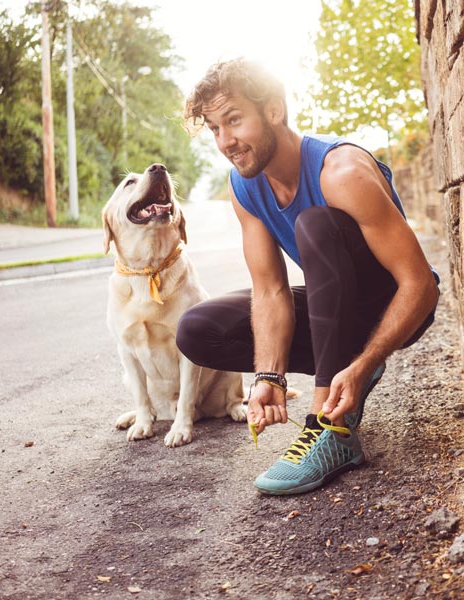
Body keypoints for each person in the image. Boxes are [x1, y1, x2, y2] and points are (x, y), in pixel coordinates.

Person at [177, 57, 440, 496]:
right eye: (215, 128)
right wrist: (269, 377)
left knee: (314, 225)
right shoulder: (244, 186)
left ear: (274, 110)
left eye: (234, 120)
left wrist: (364, 363)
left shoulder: (341, 171)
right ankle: (339, 375)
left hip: (393, 306)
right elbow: (270, 290)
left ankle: (329, 428)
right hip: (333, 306)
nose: (225, 141)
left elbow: (422, 286)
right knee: (198, 330)